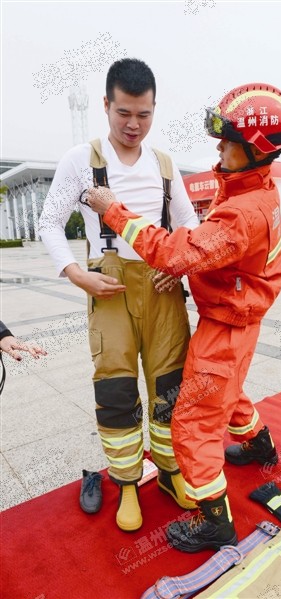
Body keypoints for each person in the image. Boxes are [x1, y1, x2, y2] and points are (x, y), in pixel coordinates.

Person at [87, 82, 281, 552]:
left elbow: (174, 250)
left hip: (223, 328)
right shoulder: (259, 192)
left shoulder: (241, 213)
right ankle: (260, 445)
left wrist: (113, 212)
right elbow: (206, 253)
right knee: (231, 390)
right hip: (240, 323)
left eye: (228, 141)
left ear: (254, 150)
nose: (219, 147)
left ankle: (215, 520)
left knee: (194, 424)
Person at [39, 58, 199, 532]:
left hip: (162, 286)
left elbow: (188, 223)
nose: (133, 125)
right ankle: (128, 481)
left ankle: (170, 472)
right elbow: (49, 222)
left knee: (170, 386)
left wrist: (181, 262)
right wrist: (75, 273)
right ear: (106, 105)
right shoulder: (80, 161)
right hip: (107, 287)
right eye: (124, 113)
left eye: (144, 114)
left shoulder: (165, 164)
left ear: (154, 109)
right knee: (116, 386)